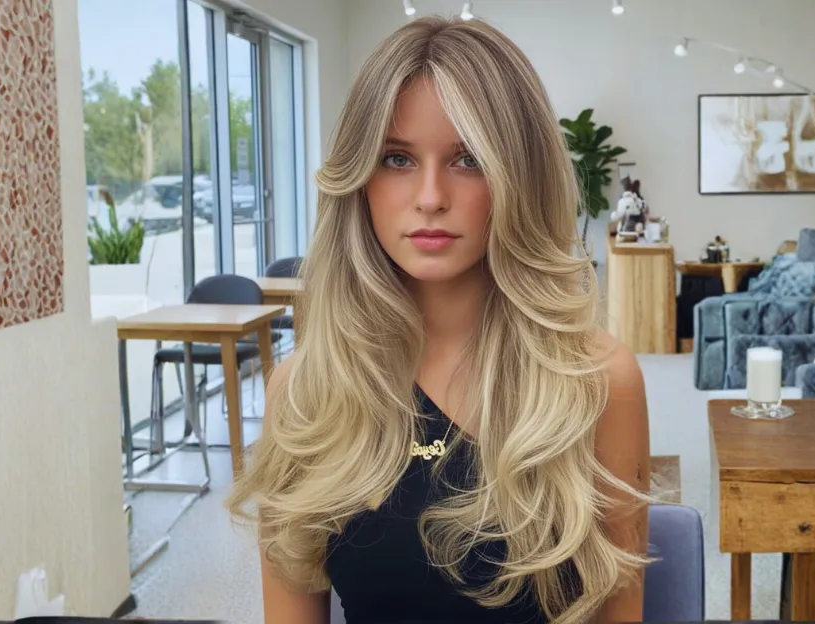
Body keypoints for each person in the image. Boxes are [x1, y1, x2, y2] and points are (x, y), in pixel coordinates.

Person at [227, 14, 651, 624]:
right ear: (360, 179)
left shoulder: (597, 382)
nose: (429, 196)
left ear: (518, 178)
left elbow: (617, 610)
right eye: (397, 159)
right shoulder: (306, 394)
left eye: (468, 159)